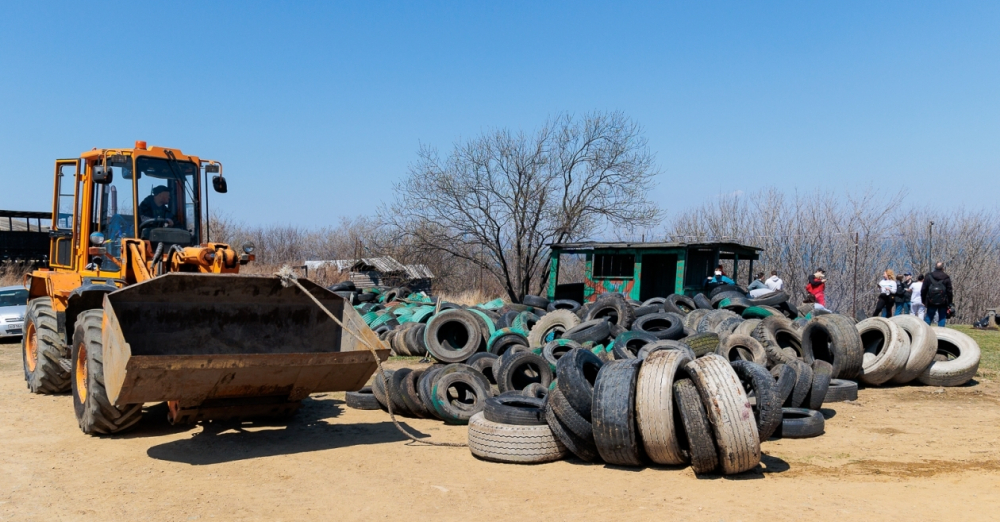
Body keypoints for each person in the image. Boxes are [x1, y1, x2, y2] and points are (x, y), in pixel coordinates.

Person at [921, 262, 953, 327]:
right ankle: (941, 333)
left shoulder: (928, 276)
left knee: (929, 316)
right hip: (943, 301)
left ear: (935, 267)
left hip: (931, 300)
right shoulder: (946, 277)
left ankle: (926, 332)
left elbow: (923, 289)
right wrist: (949, 302)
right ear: (943, 268)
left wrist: (923, 300)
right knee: (942, 317)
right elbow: (949, 291)